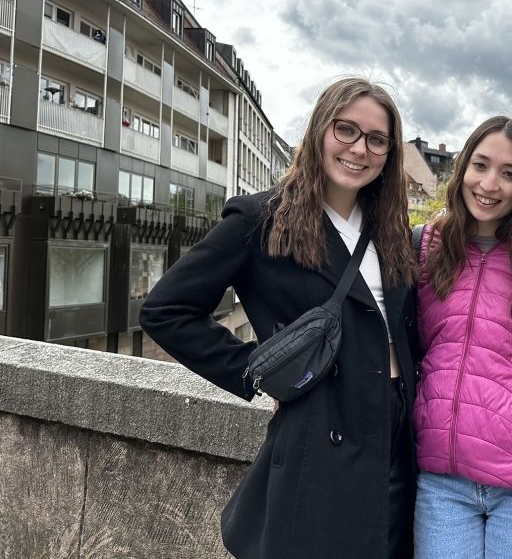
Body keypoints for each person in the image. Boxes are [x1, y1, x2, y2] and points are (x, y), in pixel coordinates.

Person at [139, 78, 419, 558]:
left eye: (376, 139)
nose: (359, 149)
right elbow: (165, 310)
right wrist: (257, 372)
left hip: (399, 428)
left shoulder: (390, 229)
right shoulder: (262, 219)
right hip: (323, 425)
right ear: (318, 132)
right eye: (346, 130)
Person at [412, 117, 512, 558]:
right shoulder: (425, 247)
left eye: (509, 174)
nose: (490, 184)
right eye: (480, 165)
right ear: (462, 167)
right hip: (444, 481)